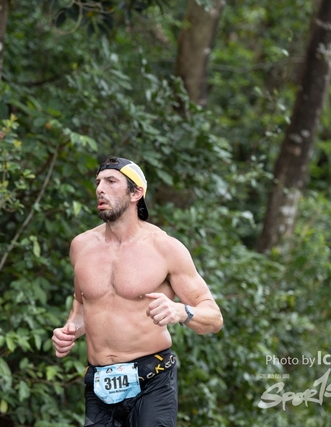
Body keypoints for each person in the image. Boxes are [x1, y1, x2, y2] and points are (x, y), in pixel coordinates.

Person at [51, 156, 223, 426]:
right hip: (99, 383)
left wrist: (181, 311)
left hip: (153, 378)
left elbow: (214, 318)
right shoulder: (81, 246)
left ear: (136, 193)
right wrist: (69, 330)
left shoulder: (165, 248)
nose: (100, 189)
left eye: (111, 181)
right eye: (98, 182)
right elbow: (82, 304)